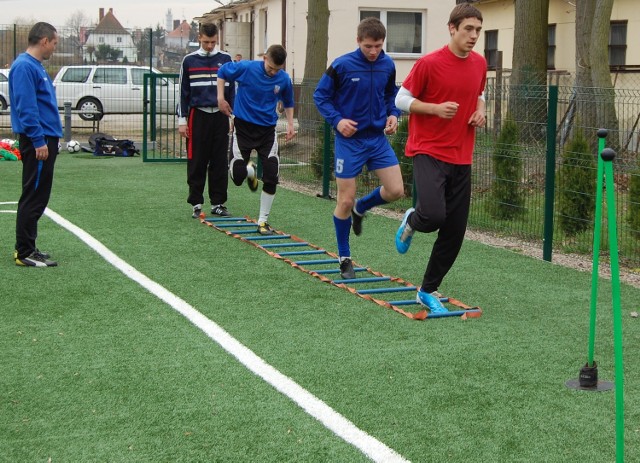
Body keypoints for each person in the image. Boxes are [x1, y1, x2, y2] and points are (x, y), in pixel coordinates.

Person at [394, 2, 487, 313]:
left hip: (462, 155)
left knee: (455, 230)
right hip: (429, 149)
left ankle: (428, 289)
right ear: (452, 28)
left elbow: (480, 93)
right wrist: (434, 108)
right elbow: (401, 98)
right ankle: (412, 220)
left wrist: (481, 111)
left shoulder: (479, 63)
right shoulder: (429, 63)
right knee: (433, 216)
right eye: (468, 29)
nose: (474, 35)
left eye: (478, 30)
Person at [313, 17, 404, 279]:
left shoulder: (388, 64)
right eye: (368, 46)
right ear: (358, 41)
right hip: (349, 142)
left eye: (378, 46)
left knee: (396, 190)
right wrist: (338, 120)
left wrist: (393, 114)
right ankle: (344, 258)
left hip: (377, 139)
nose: (373, 51)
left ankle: (361, 208)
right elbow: (321, 96)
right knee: (344, 199)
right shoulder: (342, 65)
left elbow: (391, 95)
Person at [216, 44, 296, 235]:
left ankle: (262, 221)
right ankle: (249, 170)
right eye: (270, 68)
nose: (273, 72)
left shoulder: (284, 79)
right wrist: (220, 98)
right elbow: (221, 72)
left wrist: (291, 124)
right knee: (237, 178)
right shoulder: (246, 68)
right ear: (265, 58)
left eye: (277, 69)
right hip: (243, 128)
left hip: (267, 131)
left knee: (271, 175)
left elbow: (288, 101)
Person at [11, 22, 62, 267]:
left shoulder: (34, 66)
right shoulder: (24, 67)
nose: (54, 47)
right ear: (44, 41)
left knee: (38, 195)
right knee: (34, 196)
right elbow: (26, 108)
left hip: (44, 139)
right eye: (54, 43)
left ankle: (27, 246)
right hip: (37, 141)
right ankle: (24, 252)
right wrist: (39, 140)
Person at [177, 22, 234, 219]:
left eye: (213, 42)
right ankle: (196, 203)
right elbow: (183, 93)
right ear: (199, 38)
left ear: (217, 39)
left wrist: (232, 116)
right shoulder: (189, 60)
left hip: (220, 116)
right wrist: (181, 120)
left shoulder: (226, 59)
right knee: (197, 159)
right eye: (206, 41)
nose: (210, 46)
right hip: (197, 115)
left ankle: (218, 203)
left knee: (219, 160)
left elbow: (232, 90)